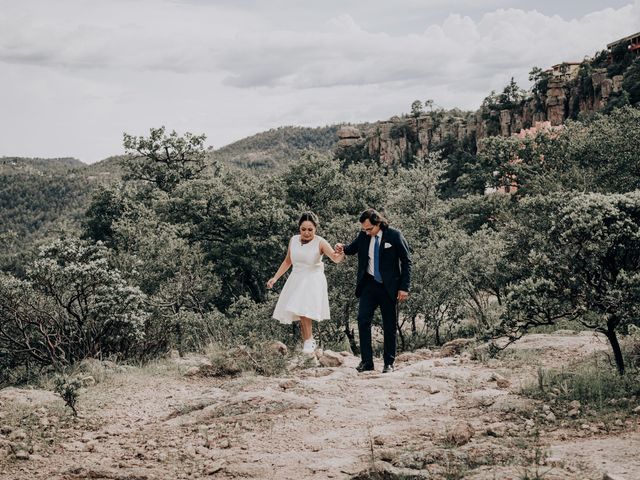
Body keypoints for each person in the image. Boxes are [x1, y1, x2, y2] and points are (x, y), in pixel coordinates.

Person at [335, 208, 411, 373]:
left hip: (389, 287)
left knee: (389, 325)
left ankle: (388, 363)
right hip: (368, 285)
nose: (367, 232)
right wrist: (342, 247)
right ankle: (366, 362)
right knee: (362, 321)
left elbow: (406, 261)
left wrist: (404, 287)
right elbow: (352, 249)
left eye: (369, 229)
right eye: (364, 229)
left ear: (379, 223)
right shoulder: (364, 235)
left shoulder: (394, 235)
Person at [267, 212, 344, 353]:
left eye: (310, 229)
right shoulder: (293, 240)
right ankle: (308, 342)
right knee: (300, 311)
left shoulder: (320, 242)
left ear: (315, 229)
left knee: (304, 310)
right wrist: (275, 278)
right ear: (299, 228)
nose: (307, 233)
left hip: (312, 278)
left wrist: (340, 251)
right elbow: (287, 261)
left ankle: (309, 342)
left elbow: (335, 259)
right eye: (303, 229)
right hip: (296, 277)